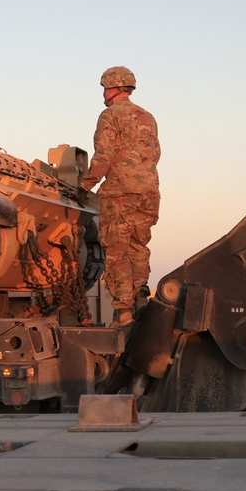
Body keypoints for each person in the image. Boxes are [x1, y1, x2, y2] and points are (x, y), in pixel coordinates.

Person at [77, 66, 160, 327]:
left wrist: (85, 186)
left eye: (104, 88)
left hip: (120, 193)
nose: (103, 94)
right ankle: (141, 297)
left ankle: (123, 312)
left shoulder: (109, 116)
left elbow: (104, 156)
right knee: (138, 246)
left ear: (112, 88)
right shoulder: (147, 117)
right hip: (149, 192)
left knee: (116, 251)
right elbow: (155, 154)